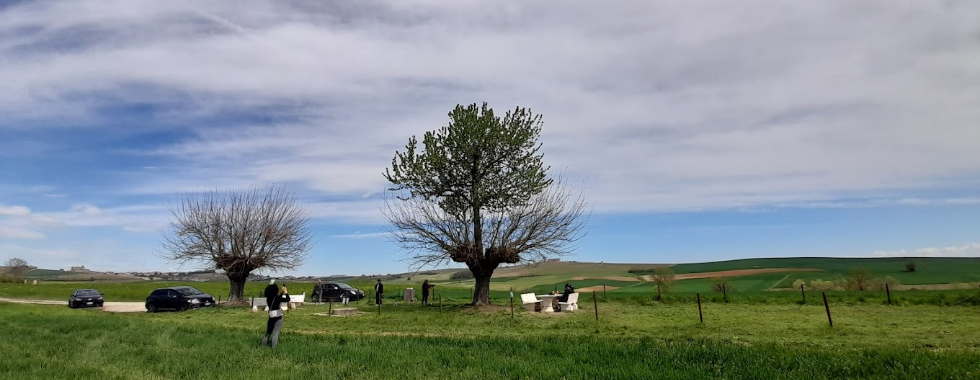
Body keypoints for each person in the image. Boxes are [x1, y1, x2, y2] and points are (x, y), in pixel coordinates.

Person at [260, 284, 290, 349]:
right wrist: (286, 292)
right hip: (278, 317)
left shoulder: (268, 299)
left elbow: (275, 299)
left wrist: (281, 293)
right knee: (275, 333)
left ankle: (262, 347)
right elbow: (287, 299)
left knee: (267, 333)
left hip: (271, 317)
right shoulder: (277, 298)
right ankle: (273, 348)